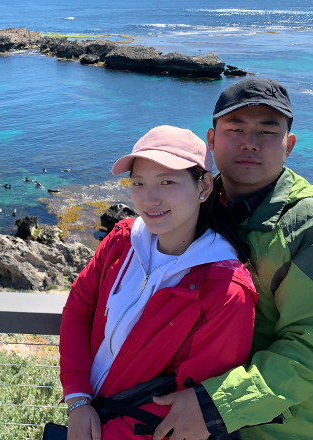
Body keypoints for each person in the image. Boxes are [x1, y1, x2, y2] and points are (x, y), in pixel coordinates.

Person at [151, 78, 313, 440]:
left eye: (268, 131)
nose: (249, 142)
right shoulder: (198, 203)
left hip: (281, 429)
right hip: (190, 410)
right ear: (211, 139)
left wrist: (215, 406)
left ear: (289, 145)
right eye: (235, 128)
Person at [60, 125, 258, 440]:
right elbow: (78, 309)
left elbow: (185, 407)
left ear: (204, 187)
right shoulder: (122, 240)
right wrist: (77, 397)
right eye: (138, 183)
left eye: (167, 182)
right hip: (89, 413)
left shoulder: (224, 289)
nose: (149, 199)